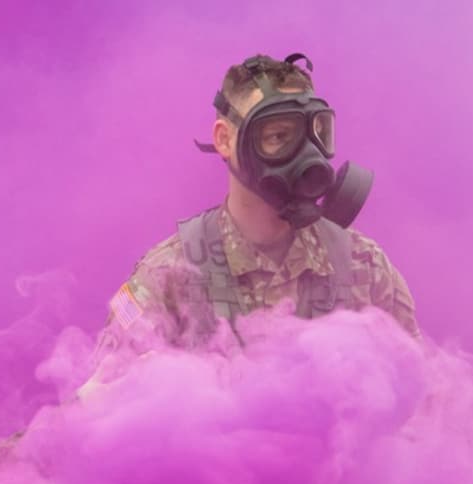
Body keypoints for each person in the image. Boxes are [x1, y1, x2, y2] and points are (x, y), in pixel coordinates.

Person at [84, 53, 418, 388]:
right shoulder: (170, 276)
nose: (305, 155)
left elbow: (420, 399)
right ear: (225, 140)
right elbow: (102, 411)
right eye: (277, 137)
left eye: (315, 134)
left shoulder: (363, 265)